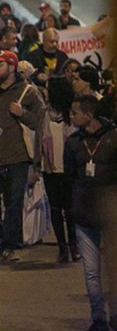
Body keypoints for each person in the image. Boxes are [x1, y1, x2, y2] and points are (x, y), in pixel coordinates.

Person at [0, 50, 45, 262]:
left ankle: (8, 246)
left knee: (14, 202)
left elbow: (41, 123)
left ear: (12, 67)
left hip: (18, 156)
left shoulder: (28, 92)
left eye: (0, 64)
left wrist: (22, 114)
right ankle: (1, 234)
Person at [65, 95, 117, 331]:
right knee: (91, 271)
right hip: (84, 215)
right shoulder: (73, 142)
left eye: (74, 112)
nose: (71, 116)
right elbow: (69, 177)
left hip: (110, 214)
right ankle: (98, 318)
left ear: (88, 115)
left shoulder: (113, 138)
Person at [45, 75, 79, 263]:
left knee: (71, 209)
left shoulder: (73, 114)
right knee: (55, 209)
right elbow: (38, 141)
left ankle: (74, 243)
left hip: (69, 168)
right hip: (50, 168)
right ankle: (62, 247)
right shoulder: (45, 113)